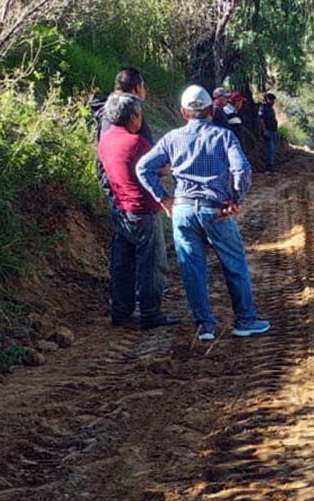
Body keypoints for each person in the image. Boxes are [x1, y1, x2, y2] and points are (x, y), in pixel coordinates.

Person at [136, 85, 270, 341]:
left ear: (183, 113)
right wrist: (236, 199)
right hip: (215, 210)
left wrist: (163, 198)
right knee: (234, 264)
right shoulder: (224, 137)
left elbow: (143, 167)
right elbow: (242, 170)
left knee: (192, 269)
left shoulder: (171, 139)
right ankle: (245, 320)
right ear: (211, 111)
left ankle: (205, 326)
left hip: (183, 210)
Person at [97, 93, 178, 330]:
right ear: (133, 117)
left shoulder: (105, 140)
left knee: (123, 262)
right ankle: (151, 313)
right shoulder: (136, 143)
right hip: (143, 210)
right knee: (151, 263)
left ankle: (121, 310)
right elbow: (159, 168)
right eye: (140, 114)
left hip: (120, 209)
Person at [93, 68, 153, 206]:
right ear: (137, 88)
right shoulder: (130, 112)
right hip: (132, 192)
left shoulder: (106, 109)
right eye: (143, 86)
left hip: (114, 184)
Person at [259, 92, 278, 172]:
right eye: (271, 100)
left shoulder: (271, 109)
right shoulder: (263, 108)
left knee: (272, 149)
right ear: (267, 99)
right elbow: (261, 120)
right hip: (268, 131)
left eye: (273, 100)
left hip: (273, 131)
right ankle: (269, 167)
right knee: (270, 149)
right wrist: (264, 131)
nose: (273, 101)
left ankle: (271, 165)